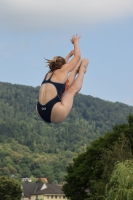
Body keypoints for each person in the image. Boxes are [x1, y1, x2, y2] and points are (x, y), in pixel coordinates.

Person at [36, 34, 89, 123]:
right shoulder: (62, 70)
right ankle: (81, 70)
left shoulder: (49, 74)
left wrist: (68, 55)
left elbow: (63, 65)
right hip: (55, 111)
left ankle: (76, 70)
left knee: (65, 83)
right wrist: (75, 42)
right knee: (71, 91)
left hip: (40, 111)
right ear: (63, 65)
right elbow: (77, 57)